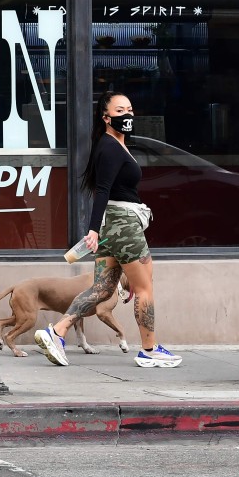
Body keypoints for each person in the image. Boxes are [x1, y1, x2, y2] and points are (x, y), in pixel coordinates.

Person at [34, 91, 182, 369]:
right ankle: (149, 350)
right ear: (106, 117)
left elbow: (105, 190)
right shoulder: (110, 147)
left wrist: (99, 228)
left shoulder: (112, 144)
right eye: (119, 111)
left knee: (102, 289)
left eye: (129, 109)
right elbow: (101, 190)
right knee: (144, 288)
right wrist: (92, 229)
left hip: (113, 225)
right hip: (123, 224)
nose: (127, 115)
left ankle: (57, 332)